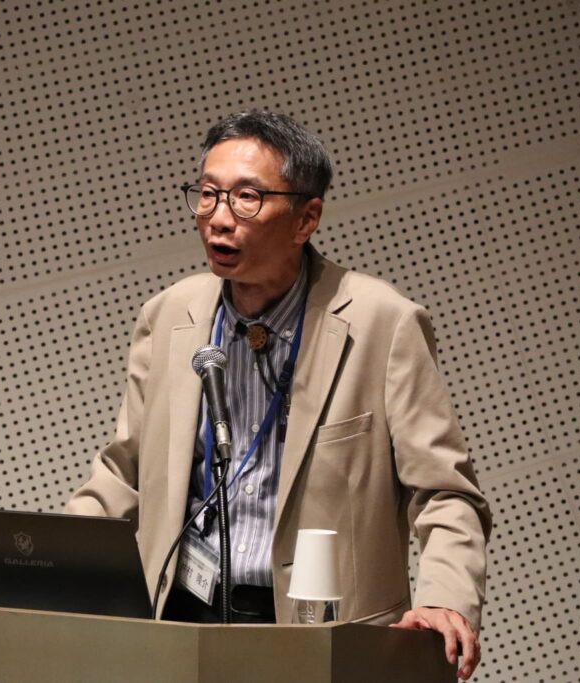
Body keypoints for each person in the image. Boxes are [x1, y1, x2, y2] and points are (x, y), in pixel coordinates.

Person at [66, 110, 492, 680]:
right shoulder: (170, 314)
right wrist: (52, 567)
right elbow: (123, 472)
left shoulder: (382, 323)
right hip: (180, 619)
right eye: (208, 194)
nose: (219, 219)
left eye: (247, 198)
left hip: (319, 634)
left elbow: (444, 492)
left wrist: (445, 597)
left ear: (305, 219)